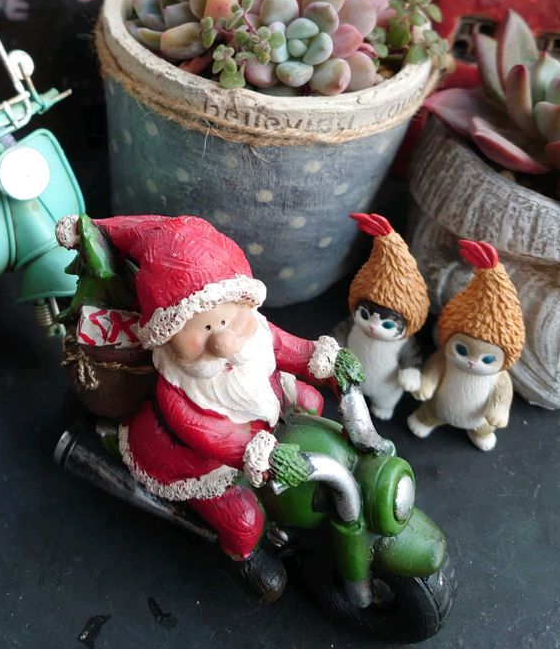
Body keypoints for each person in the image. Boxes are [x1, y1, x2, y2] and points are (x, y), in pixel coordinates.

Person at [56, 213, 384, 601]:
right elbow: (212, 436)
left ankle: (292, 488)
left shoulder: (255, 336)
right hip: (203, 463)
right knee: (243, 520)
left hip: (265, 419)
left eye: (228, 320)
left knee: (310, 400)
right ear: (168, 336)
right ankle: (244, 556)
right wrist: (260, 454)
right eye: (205, 329)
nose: (224, 344)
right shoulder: (177, 389)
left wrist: (327, 362)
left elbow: (290, 349)